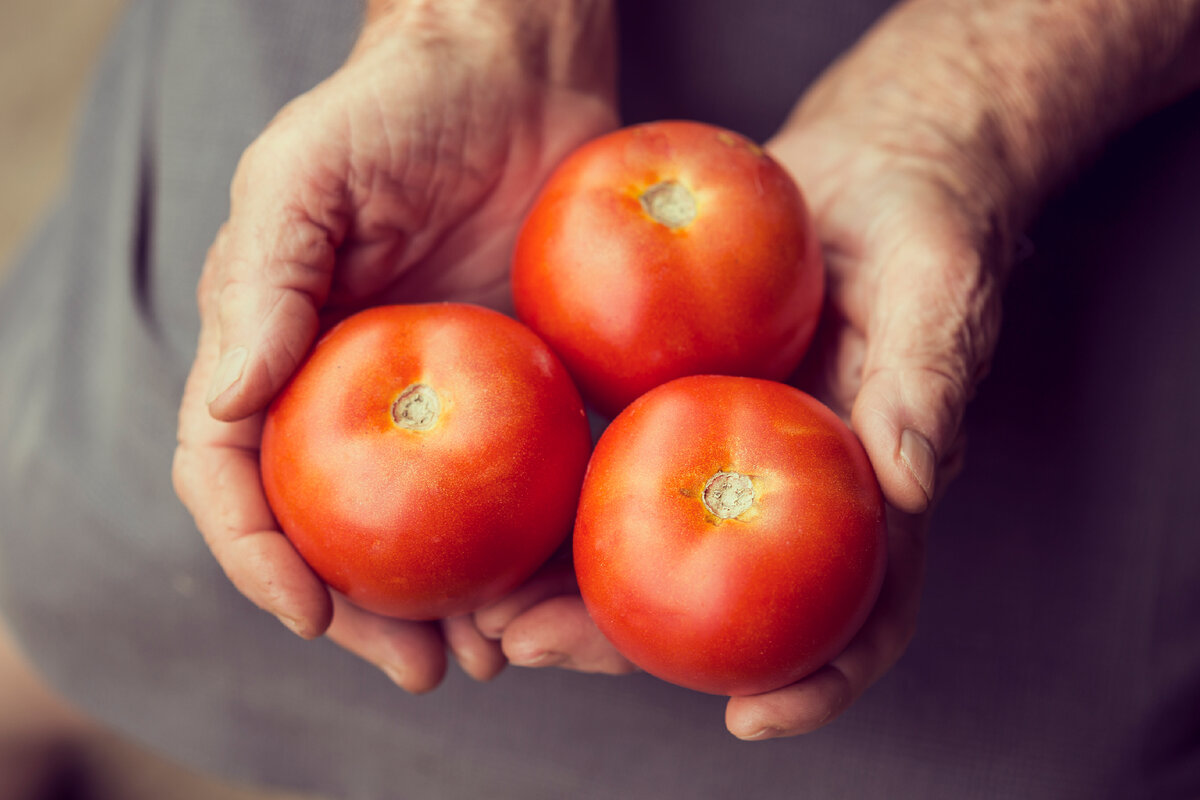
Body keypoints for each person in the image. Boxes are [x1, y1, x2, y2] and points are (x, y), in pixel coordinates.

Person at [2, 0, 1198, 797]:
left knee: (1031, 743)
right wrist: (477, 22)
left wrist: (962, 102)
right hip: (477, 158)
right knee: (99, 498)